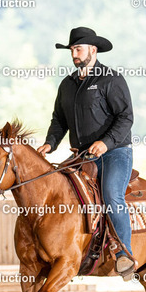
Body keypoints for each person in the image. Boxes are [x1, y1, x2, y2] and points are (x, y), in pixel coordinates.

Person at [37, 27, 136, 278]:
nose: (74, 54)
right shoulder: (67, 84)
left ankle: (124, 253)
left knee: (112, 196)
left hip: (114, 153)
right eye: (72, 50)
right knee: (59, 192)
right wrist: (50, 143)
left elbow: (126, 117)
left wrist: (106, 142)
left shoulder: (111, 79)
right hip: (82, 156)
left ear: (93, 50)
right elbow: (59, 120)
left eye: (78, 49)